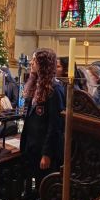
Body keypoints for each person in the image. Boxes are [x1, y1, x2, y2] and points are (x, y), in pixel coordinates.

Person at [21, 48, 65, 191]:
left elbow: (55, 125)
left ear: (44, 64)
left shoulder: (55, 89)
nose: (31, 63)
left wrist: (47, 154)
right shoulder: (36, 85)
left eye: (35, 60)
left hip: (44, 149)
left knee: (45, 188)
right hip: (32, 146)